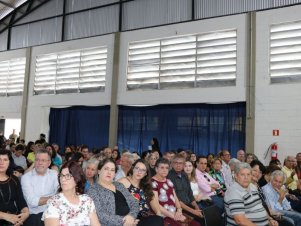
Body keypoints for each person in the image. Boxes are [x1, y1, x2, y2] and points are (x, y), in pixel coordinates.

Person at [43, 161, 100, 226]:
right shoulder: (54, 202)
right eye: (61, 175)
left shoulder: (87, 200)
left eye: (68, 176)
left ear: (77, 178)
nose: (63, 179)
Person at [88, 158, 139, 226]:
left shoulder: (119, 185)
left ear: (115, 174)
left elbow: (134, 202)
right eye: (106, 169)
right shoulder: (93, 190)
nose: (109, 172)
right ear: (99, 171)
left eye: (112, 170)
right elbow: (100, 215)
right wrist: (125, 221)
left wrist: (131, 216)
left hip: (131, 220)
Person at [152, 158, 199, 226]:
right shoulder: (152, 183)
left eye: (167, 168)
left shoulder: (168, 181)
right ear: (156, 169)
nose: (165, 170)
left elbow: (175, 198)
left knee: (196, 224)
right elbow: (156, 205)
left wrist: (179, 210)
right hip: (164, 215)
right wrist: (173, 216)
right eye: (162, 168)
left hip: (175, 212)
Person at [118, 159, 164, 226]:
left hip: (144, 219)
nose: (139, 172)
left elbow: (157, 209)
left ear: (146, 174)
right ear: (133, 168)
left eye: (142, 170)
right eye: (137, 168)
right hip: (129, 219)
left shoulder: (146, 186)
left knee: (158, 219)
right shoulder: (123, 181)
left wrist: (160, 219)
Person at [21, 149, 59, 226]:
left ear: (49, 163)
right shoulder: (26, 177)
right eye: (37, 160)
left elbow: (60, 192)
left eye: (43, 160)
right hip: (34, 215)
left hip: (53, 213)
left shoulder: (54, 174)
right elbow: (32, 201)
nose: (40, 163)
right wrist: (54, 198)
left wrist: (56, 198)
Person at [167, 155, 203, 225]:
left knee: (204, 215)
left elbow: (190, 193)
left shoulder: (184, 175)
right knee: (198, 221)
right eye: (176, 163)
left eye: (180, 163)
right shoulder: (169, 177)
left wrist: (196, 207)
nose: (178, 165)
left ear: (183, 164)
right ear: (172, 164)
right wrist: (193, 211)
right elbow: (176, 200)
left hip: (189, 205)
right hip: (178, 208)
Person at [0, 149, 29, 226]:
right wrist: (6, 216)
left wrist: (25, 212)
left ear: (9, 163)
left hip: (14, 219)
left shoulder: (14, 179)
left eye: (5, 160)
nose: (1, 162)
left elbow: (21, 200)